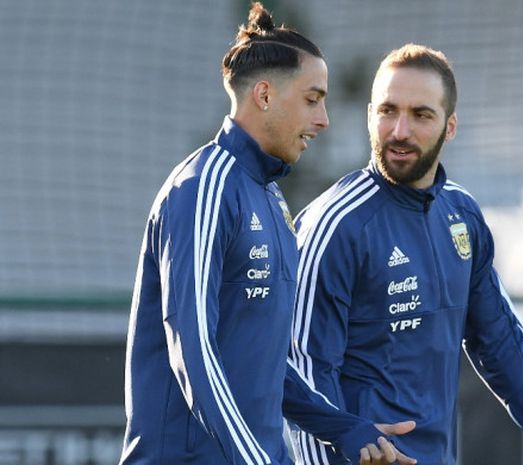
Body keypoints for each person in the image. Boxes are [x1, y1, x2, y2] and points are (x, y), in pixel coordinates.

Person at [118, 5, 417, 465]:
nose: (324, 120)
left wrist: (345, 428)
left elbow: (266, 361)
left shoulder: (271, 199)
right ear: (263, 95)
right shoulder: (202, 189)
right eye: (313, 98)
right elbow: (193, 352)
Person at [289, 44, 523, 465]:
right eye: (388, 111)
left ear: (450, 127)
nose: (399, 131)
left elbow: (497, 340)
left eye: (421, 115)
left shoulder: (461, 215)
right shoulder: (335, 225)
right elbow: (303, 377)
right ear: (369, 115)